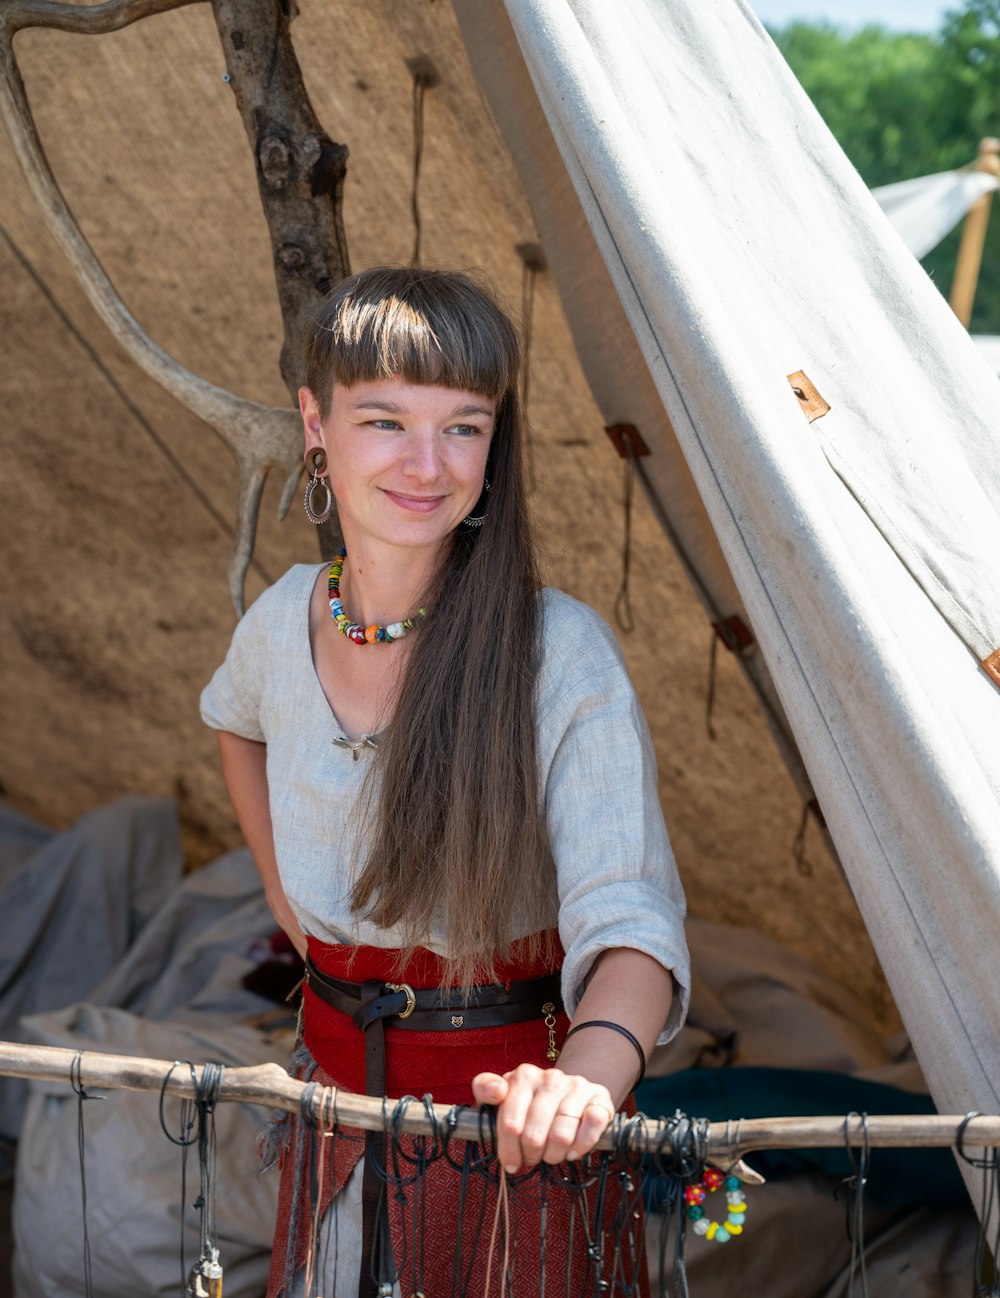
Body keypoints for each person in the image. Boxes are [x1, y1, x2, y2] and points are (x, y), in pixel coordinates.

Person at [201, 266, 690, 1298]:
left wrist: (584, 1085)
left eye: (463, 427)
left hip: (519, 1141)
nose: (427, 463)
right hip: (334, 1106)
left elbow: (634, 924)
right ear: (315, 422)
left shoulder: (558, 651)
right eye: (384, 420)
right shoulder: (282, 620)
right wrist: (296, 913)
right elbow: (232, 724)